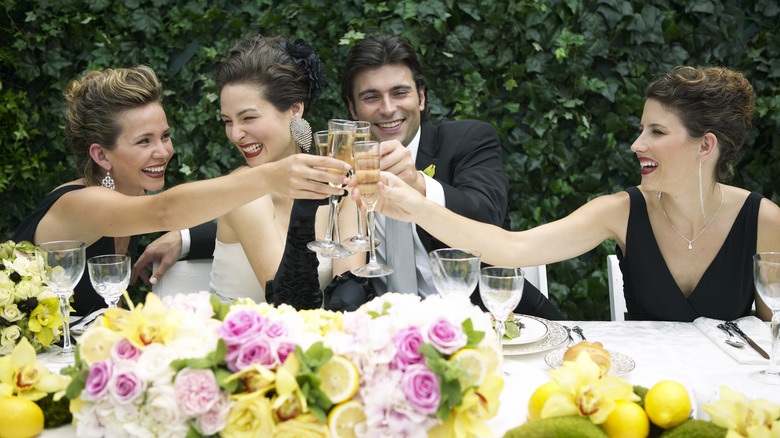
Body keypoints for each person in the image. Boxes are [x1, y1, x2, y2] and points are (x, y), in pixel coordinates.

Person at [364, 65, 780, 322]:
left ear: (705, 146)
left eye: (657, 131)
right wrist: (415, 205)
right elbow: (511, 249)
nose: (637, 144)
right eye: (641, 129)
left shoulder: (763, 221)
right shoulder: (620, 211)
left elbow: (770, 331)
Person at [13, 65, 349, 316]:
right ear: (102, 156)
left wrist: (185, 238)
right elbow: (165, 212)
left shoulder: (129, 199)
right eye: (144, 141)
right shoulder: (81, 205)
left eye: (164, 136)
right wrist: (271, 176)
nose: (163, 151)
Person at [328, 34, 562, 319]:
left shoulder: (469, 139)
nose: (388, 109)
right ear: (353, 109)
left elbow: (488, 217)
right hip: (388, 333)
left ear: (421, 97)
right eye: (371, 97)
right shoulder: (344, 168)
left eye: (400, 93)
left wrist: (419, 185)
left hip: (494, 324)